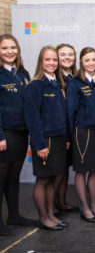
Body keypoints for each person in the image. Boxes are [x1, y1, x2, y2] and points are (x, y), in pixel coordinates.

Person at [24, 46, 69, 231]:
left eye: (54, 60)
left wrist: (65, 137)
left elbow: (62, 114)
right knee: (43, 180)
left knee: (53, 178)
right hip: (45, 140)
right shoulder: (35, 86)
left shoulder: (58, 84)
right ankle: (43, 217)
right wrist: (39, 144)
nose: (52, 63)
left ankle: (51, 214)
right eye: (47, 60)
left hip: (58, 139)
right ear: (41, 62)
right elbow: (32, 118)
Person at [67, 47, 95, 223]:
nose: (91, 63)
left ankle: (94, 205)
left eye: (94, 60)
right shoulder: (75, 83)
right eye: (87, 60)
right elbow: (70, 112)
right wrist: (70, 136)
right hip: (82, 133)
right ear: (81, 63)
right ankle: (84, 207)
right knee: (81, 171)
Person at [0, 34, 35, 235]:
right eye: (5, 48)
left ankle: (14, 215)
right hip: (5, 133)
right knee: (1, 178)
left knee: (14, 177)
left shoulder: (23, 74)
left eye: (13, 47)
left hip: (21, 134)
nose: (10, 51)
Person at [55, 43, 79, 214]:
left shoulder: (76, 77)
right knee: (56, 170)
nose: (67, 58)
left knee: (64, 169)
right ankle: (51, 206)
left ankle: (61, 202)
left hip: (74, 130)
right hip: (59, 131)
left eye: (70, 54)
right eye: (62, 54)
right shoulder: (52, 78)